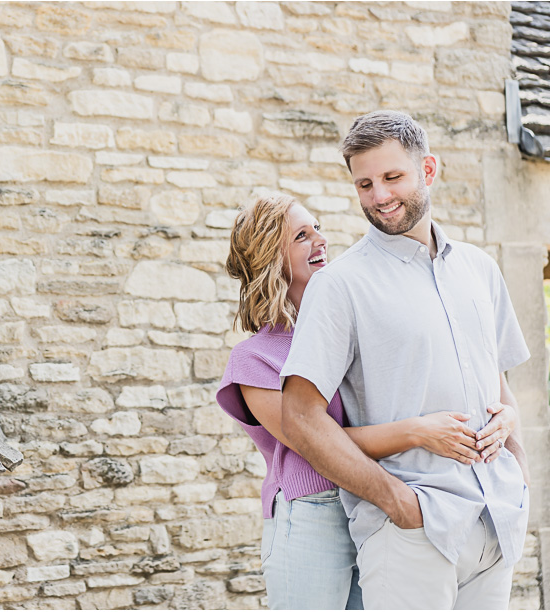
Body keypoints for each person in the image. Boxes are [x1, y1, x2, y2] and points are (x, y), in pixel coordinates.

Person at [279, 110, 530, 610]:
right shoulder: (340, 285)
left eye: (392, 177)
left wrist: (519, 468)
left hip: (496, 519)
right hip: (413, 532)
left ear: (428, 170)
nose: (379, 196)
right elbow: (300, 419)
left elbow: (497, 381)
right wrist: (396, 502)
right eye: (365, 184)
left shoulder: (480, 269)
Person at [216, 192, 513, 610]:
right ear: (271, 258)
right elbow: (314, 438)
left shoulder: (349, 325)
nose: (320, 240)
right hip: (313, 516)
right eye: (302, 236)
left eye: (317, 227)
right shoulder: (254, 360)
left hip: (373, 503)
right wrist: (417, 432)